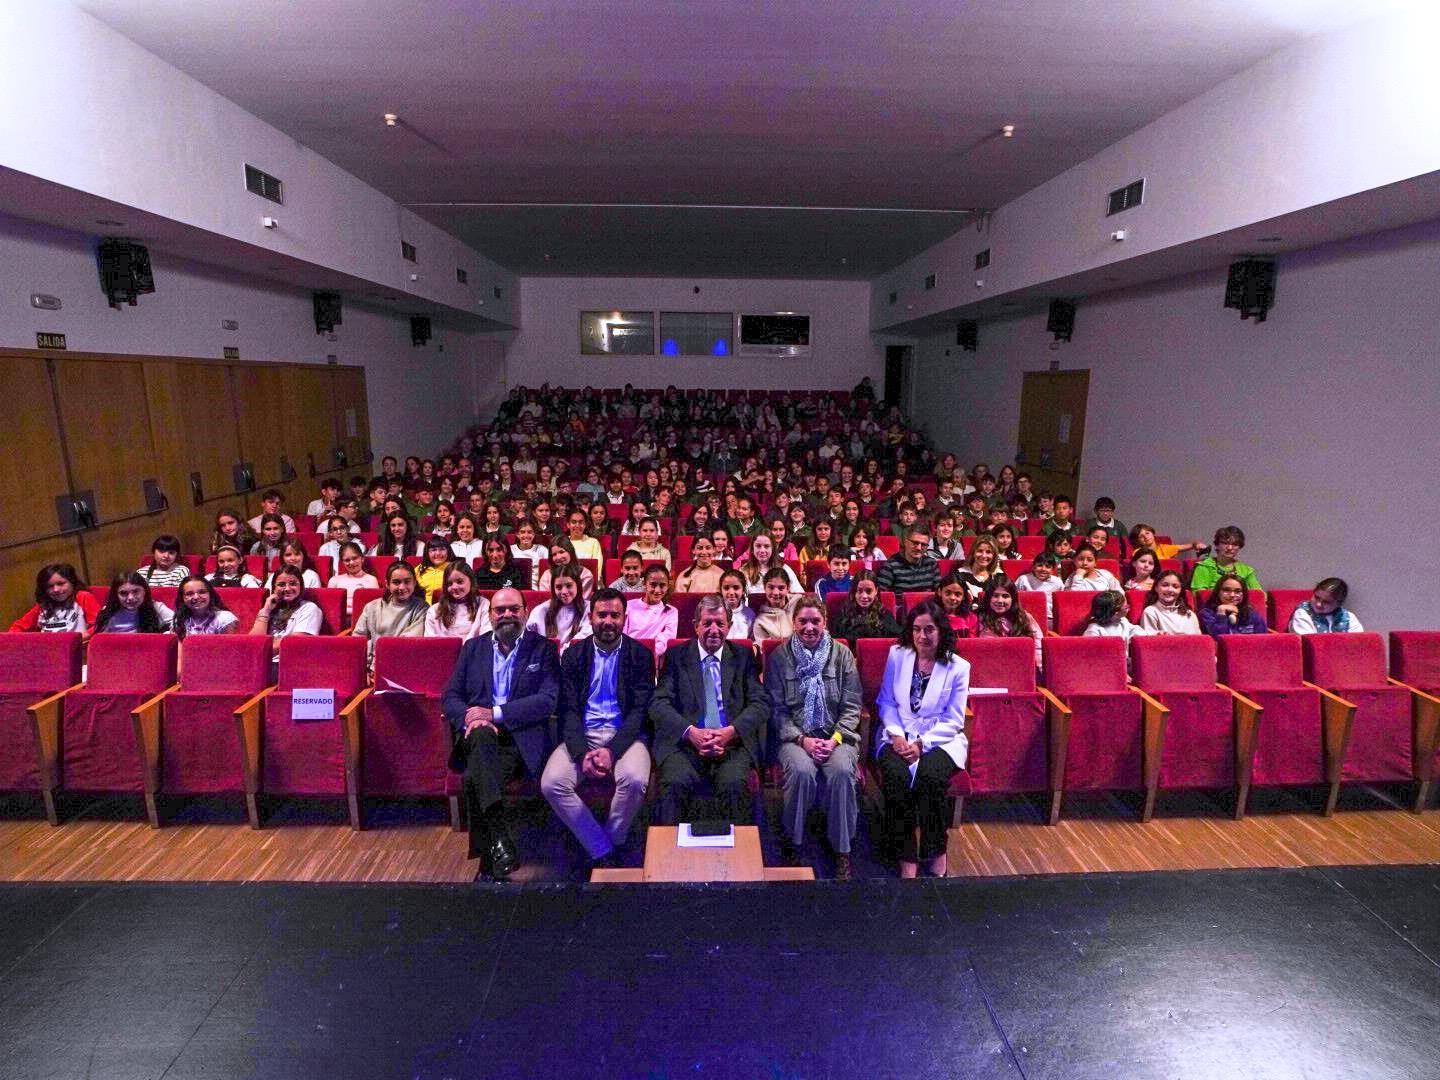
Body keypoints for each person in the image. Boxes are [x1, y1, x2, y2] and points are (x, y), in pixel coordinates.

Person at [442, 587, 560, 879]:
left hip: (522, 740)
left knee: (474, 775)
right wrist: (470, 718)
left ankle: (491, 850)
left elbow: (548, 700)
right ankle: (500, 840)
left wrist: (493, 714)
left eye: (513, 609)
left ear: (525, 611)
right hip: (482, 736)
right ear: (490, 614)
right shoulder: (473, 648)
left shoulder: (542, 648)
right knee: (481, 738)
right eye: (500, 610)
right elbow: (451, 696)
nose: (507, 615)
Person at [542, 588, 656, 867]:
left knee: (636, 780)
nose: (608, 621)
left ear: (624, 618)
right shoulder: (573, 655)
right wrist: (582, 754)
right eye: (602, 614)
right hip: (583, 734)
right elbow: (567, 710)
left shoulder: (640, 654)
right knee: (552, 784)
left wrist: (612, 751)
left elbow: (640, 712)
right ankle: (601, 847)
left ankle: (612, 841)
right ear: (590, 617)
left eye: (614, 615)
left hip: (626, 736)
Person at [648, 594, 770, 826]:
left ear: (729, 627)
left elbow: (760, 703)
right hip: (685, 745)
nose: (713, 630)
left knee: (734, 784)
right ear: (696, 626)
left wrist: (730, 732)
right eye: (707, 623)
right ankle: (669, 858)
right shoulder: (676, 656)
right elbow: (659, 703)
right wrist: (690, 732)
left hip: (732, 744)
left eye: (720, 624)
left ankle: (736, 858)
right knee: (674, 782)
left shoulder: (743, 656)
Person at [765, 595, 862, 879]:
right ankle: (794, 842)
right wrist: (803, 740)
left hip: (837, 737)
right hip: (795, 738)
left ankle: (842, 849)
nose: (809, 627)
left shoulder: (842, 654)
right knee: (802, 770)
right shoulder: (780, 657)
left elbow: (853, 705)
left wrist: (834, 740)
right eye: (803, 621)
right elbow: (776, 709)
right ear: (793, 623)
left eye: (815, 621)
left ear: (825, 622)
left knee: (843, 771)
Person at [875, 598, 969, 878]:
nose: (922, 636)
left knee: (931, 778)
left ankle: (936, 850)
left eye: (929, 629)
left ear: (941, 631)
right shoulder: (897, 655)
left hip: (940, 738)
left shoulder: (958, 667)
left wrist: (921, 745)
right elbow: (886, 701)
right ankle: (906, 855)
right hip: (898, 732)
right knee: (896, 776)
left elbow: (954, 719)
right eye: (916, 629)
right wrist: (896, 735)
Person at [352, 561, 428, 660]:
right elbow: (358, 638)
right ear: (387, 584)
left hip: (404, 662)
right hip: (371, 662)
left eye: (407, 581)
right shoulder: (372, 607)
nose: (402, 587)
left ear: (414, 582)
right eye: (396, 582)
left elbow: (407, 643)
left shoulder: (422, 608)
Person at [250, 566, 323, 657]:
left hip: (288, 662)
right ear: (274, 587)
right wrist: (266, 610)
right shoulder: (269, 608)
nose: (287, 589)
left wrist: (258, 651)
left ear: (301, 586)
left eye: (293, 583)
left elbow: (292, 644)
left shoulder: (309, 608)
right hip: (262, 660)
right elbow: (253, 641)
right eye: (281, 584)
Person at [10, 563, 99, 635]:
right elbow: (18, 627)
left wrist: (84, 636)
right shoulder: (42, 605)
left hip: (78, 650)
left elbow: (99, 625)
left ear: (72, 582)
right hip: (49, 650)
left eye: (61, 584)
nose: (56, 590)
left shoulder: (83, 597)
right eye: (49, 586)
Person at [977, 575, 1045, 667]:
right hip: (990, 666)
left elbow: (1038, 646)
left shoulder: (1024, 617)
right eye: (995, 595)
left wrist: (1038, 666)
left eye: (1005, 596)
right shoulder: (979, 618)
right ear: (989, 598)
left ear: (1013, 599)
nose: (1000, 600)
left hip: (1021, 666)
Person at [526, 563, 592, 651]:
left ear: (578, 585)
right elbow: (531, 640)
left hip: (576, 657)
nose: (564, 591)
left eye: (569, 586)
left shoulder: (589, 608)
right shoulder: (540, 611)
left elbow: (584, 638)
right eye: (559, 587)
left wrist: (562, 654)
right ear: (553, 589)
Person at [831, 570, 901, 644]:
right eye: (860, 591)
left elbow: (897, 641)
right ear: (854, 592)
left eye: (869, 591)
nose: (864, 596)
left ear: (876, 591)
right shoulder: (842, 615)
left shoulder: (884, 615)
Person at [425, 561, 491, 639]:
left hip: (474, 650)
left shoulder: (484, 604)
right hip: (443, 651)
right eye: (449, 583)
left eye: (460, 582)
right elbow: (430, 643)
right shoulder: (434, 611)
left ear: (471, 581)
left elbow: (487, 638)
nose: (454, 587)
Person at [1188, 526, 1262, 591]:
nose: (1229, 548)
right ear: (1217, 545)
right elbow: (1200, 595)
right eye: (1225, 543)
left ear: (1239, 547)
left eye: (1235, 544)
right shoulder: (1205, 566)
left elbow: (1260, 595)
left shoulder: (1246, 571)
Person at [623, 566, 679, 650]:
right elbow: (622, 635)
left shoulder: (671, 611)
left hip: (654, 656)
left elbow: (665, 640)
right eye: (653, 584)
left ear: (667, 586)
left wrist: (647, 654)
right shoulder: (629, 605)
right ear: (644, 584)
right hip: (629, 653)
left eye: (662, 585)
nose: (657, 590)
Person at [95, 573, 174, 633]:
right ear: (116, 595)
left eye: (136, 591)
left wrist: (166, 634)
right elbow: (100, 641)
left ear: (145, 591)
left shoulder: (156, 607)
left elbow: (180, 622)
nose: (130, 598)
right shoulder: (109, 612)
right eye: (123, 593)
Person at [876, 524, 939, 595]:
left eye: (923, 545)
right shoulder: (890, 565)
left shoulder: (932, 564)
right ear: (906, 542)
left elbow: (939, 593)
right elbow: (882, 595)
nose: (919, 548)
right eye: (915, 543)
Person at [1198, 574, 1268, 636]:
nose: (1232, 595)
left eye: (1237, 591)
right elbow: (1220, 639)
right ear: (1218, 592)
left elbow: (1263, 640)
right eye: (1226, 590)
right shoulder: (1206, 614)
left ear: (1244, 594)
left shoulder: (1251, 613)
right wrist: (1221, 613)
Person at [1290, 577, 1364, 634]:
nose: (1318, 604)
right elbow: (1307, 642)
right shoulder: (1303, 612)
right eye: (1316, 597)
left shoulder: (1348, 617)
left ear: (1338, 604)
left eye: (1326, 602)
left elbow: (1357, 641)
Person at [172, 576, 238, 638]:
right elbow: (180, 648)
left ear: (210, 594)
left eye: (202, 592)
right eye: (189, 594)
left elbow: (228, 648)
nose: (196, 597)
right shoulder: (180, 620)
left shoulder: (224, 619)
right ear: (182, 598)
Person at [327, 542, 379, 618]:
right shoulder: (334, 581)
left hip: (363, 619)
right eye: (347, 560)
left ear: (362, 558)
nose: (351, 562)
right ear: (342, 562)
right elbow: (331, 607)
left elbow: (374, 608)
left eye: (355, 558)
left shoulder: (371, 580)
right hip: (340, 619)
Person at [1081, 590, 1147, 646]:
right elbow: (1087, 652)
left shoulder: (1122, 621)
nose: (1129, 608)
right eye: (1126, 606)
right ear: (1116, 612)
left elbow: (1135, 630)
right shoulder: (1094, 630)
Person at [751, 568, 796, 643]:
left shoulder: (799, 604)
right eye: (771, 587)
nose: (775, 593)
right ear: (764, 587)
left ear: (788, 588)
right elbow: (767, 650)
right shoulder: (760, 621)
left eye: (781, 588)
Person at [935, 572, 978, 637]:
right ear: (939, 592)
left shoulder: (971, 618)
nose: (952, 598)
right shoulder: (930, 615)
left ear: (963, 596)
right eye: (948, 593)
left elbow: (972, 644)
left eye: (957, 594)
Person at [718, 568, 757, 641]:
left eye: (736, 588)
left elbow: (752, 641)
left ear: (743, 590)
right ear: (721, 590)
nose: (731, 592)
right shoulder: (714, 612)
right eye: (726, 588)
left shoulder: (750, 615)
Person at [416, 536, 454, 603]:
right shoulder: (419, 569)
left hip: (448, 607)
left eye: (442, 549)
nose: (438, 553)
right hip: (423, 608)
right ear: (427, 553)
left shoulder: (455, 568)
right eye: (433, 550)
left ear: (448, 551)